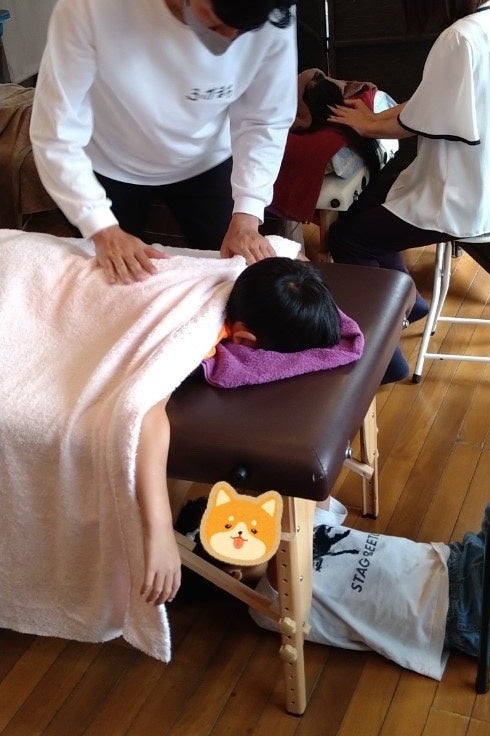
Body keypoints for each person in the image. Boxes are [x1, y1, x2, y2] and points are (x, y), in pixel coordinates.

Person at [30, 0, 301, 286]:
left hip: (208, 158)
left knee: (235, 281)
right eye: (216, 23)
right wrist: (101, 227)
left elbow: (265, 117)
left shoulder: (269, 5)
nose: (229, 41)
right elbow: (56, 129)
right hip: (113, 160)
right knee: (107, 285)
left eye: (244, 33)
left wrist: (248, 213)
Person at [326, 0, 490, 379]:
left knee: (347, 238)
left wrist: (365, 124)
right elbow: (426, 106)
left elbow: (411, 122)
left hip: (465, 199)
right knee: (367, 201)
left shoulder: (459, 39)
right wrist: (372, 118)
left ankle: (387, 360)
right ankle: (411, 303)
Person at [177, 455, 490, 679]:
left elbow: (313, 485)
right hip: (476, 617)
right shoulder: (271, 603)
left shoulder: (307, 524)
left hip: (464, 559)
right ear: (234, 573)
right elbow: (286, 549)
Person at [136, 256, 342, 606]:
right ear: (244, 339)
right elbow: (145, 412)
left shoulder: (250, 280)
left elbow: (297, 261)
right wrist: (157, 534)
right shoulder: (196, 336)